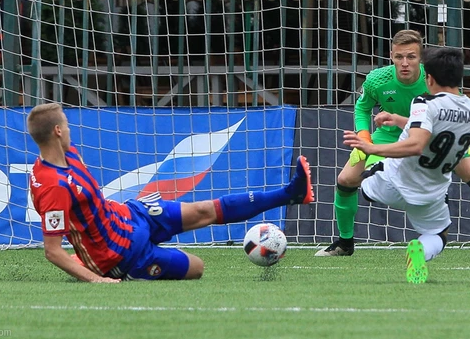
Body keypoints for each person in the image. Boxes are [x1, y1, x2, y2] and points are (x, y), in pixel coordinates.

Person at [27, 103, 314, 282]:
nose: (70, 129)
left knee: (204, 210)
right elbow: (53, 251)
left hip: (131, 215)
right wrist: (95, 278)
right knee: (197, 268)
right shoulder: (53, 186)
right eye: (67, 125)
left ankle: (290, 193)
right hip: (123, 256)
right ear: (58, 131)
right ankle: (127, 267)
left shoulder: (70, 155)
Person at [316, 29, 470, 258]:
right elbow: (362, 108)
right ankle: (345, 242)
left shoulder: (434, 80)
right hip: (389, 136)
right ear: (391, 56)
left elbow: (436, 121)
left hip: (433, 135)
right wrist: (365, 136)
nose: (404, 63)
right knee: (345, 180)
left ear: (421, 59)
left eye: (411, 57)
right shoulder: (377, 79)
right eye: (399, 57)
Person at [343, 46, 470, 283]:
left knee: (352, 181)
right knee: (439, 235)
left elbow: (416, 144)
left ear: (429, 78)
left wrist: (372, 148)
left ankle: (344, 238)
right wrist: (398, 119)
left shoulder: (423, 102)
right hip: (430, 193)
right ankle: (420, 251)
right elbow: (435, 128)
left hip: (391, 183)